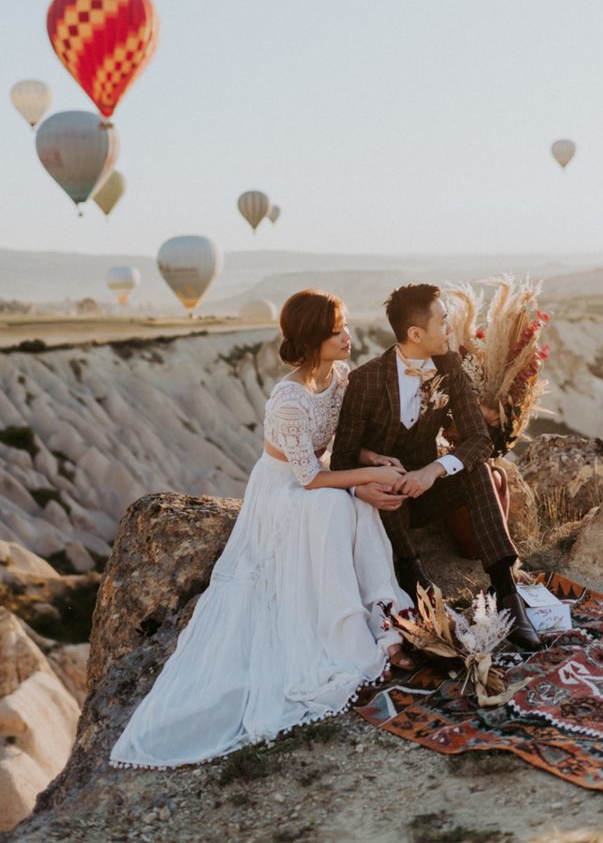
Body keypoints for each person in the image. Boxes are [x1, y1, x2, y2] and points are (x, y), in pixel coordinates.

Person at [110, 290, 413, 769]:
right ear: (315, 339)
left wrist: (374, 461)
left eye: (346, 326)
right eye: (338, 332)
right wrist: (368, 478)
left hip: (315, 475)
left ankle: (384, 615)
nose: (349, 337)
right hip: (280, 491)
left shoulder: (339, 377)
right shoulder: (289, 399)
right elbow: (308, 477)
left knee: (357, 507)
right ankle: (342, 632)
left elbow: (341, 447)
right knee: (335, 507)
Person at [331, 283, 542, 651]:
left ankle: (507, 594)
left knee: (475, 468)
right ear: (415, 334)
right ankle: (414, 578)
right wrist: (364, 485)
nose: (449, 329)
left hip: (427, 490)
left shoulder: (449, 368)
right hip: (386, 502)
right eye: (443, 322)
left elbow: (480, 440)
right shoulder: (365, 381)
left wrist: (434, 471)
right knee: (391, 481)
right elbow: (342, 459)